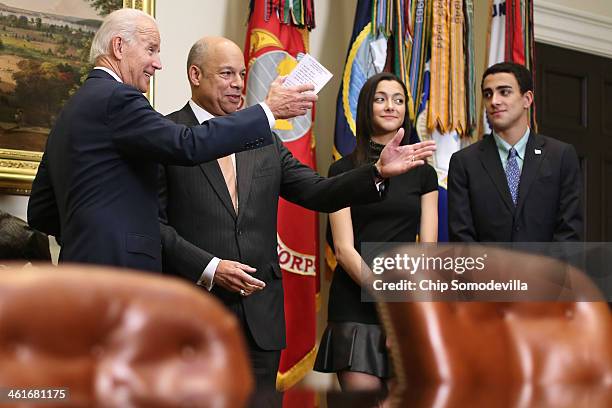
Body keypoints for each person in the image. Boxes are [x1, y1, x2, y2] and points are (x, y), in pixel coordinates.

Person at [158, 37, 436, 397]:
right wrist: (209, 267)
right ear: (195, 75)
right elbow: (155, 226)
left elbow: (318, 192)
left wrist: (376, 172)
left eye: (242, 74)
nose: (239, 84)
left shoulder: (263, 140)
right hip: (193, 312)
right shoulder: (168, 136)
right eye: (226, 73)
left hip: (261, 318)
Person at [26, 8, 316, 272]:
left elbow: (40, 211)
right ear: (118, 47)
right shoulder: (118, 98)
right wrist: (268, 111)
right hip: (120, 275)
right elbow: (187, 144)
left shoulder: (70, 111)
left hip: (77, 271)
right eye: (151, 50)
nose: (158, 63)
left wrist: (89, 238)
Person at [313, 73, 438, 391]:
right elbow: (343, 250)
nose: (390, 106)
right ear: (366, 106)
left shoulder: (424, 173)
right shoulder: (342, 171)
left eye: (398, 99)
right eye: (381, 98)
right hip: (355, 304)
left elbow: (428, 248)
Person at [447, 62, 583, 242]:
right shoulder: (464, 162)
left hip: (547, 269)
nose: (494, 101)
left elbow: (569, 231)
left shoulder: (560, 156)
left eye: (504, 92)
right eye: (488, 94)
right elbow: (461, 236)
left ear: (527, 99)